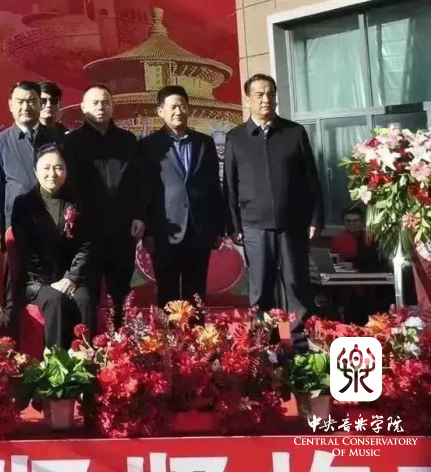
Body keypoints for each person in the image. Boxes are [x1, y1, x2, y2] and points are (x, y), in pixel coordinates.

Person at [225, 73, 323, 347]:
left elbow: (311, 181)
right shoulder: (236, 138)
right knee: (260, 288)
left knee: (296, 285)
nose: (266, 99)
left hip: (292, 224)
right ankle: (264, 346)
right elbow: (230, 187)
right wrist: (234, 225)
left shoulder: (294, 132)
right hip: (254, 225)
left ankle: (300, 344)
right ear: (248, 99)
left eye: (270, 93)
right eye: (259, 94)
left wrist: (316, 218)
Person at [64, 85, 147, 324]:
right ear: (83, 108)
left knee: (120, 293)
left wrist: (139, 215)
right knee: (86, 294)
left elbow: (140, 182)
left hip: (122, 229)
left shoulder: (127, 141)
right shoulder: (71, 143)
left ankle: (120, 340)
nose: (100, 107)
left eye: (105, 102)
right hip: (85, 232)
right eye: (95, 103)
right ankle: (86, 342)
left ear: (112, 106)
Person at [142, 85, 225, 306]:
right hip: (165, 231)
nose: (178, 111)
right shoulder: (148, 145)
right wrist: (148, 231)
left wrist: (218, 228)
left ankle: (196, 330)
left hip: (199, 231)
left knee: (196, 295)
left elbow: (214, 188)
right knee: (167, 294)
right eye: (173, 107)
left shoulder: (204, 143)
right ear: (160, 111)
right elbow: (144, 190)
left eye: (182, 106)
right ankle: (168, 331)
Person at [10, 145, 94, 349]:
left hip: (70, 278)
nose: (52, 174)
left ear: (66, 171)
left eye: (58, 167)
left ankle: (85, 358)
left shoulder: (77, 202)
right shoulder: (23, 205)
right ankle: (55, 359)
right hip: (37, 281)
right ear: (36, 170)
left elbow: (86, 245)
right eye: (46, 168)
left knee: (84, 298)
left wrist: (71, 278)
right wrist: (53, 282)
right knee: (55, 299)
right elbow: (27, 251)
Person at [0, 81, 70, 248]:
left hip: (56, 223)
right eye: (20, 101)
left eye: (31, 101)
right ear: (11, 105)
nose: (25, 107)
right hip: (17, 226)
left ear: (40, 103)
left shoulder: (58, 138)